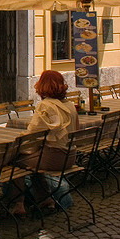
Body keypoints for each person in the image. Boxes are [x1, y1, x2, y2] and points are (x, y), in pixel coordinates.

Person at [11, 69, 79, 216]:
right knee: (33, 163)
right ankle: (44, 200)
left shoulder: (46, 105)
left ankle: (19, 204)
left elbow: (32, 133)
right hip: (71, 156)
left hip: (54, 158)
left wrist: (19, 143)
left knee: (16, 160)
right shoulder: (70, 105)